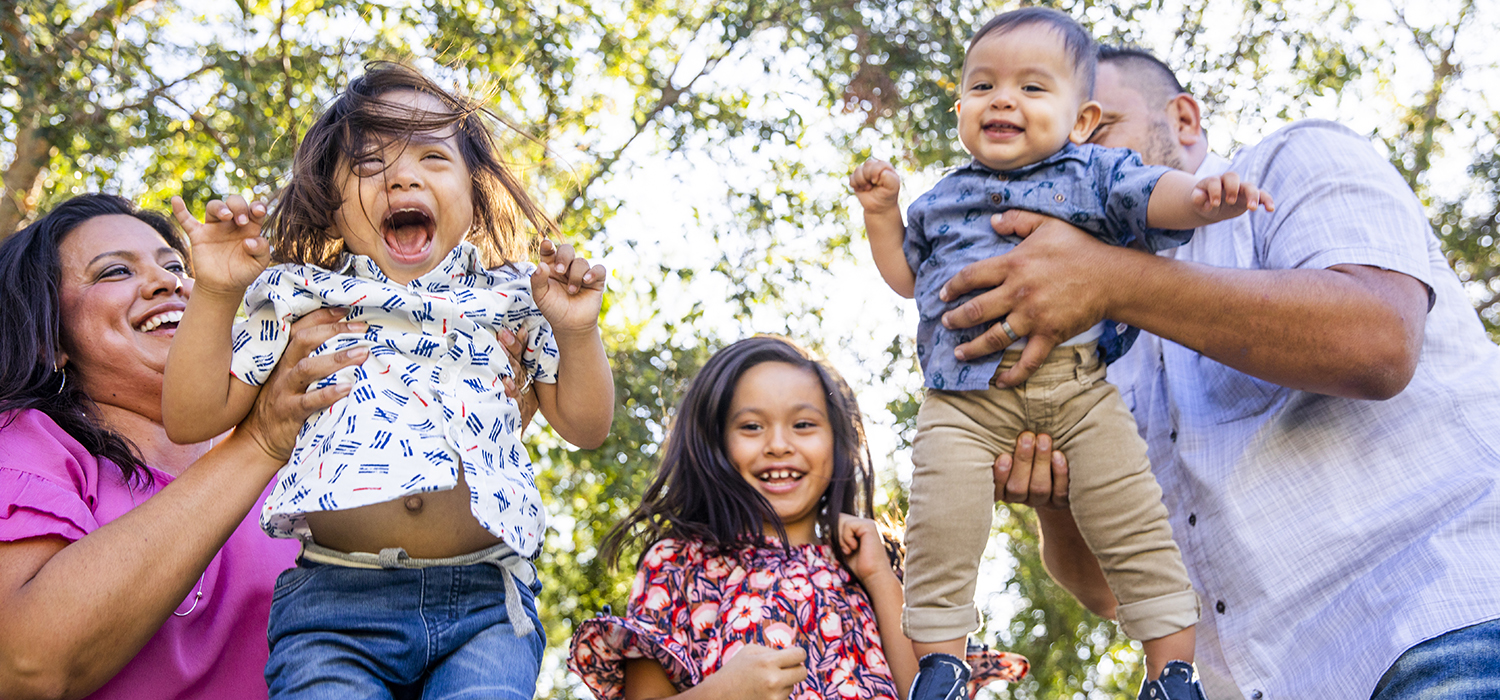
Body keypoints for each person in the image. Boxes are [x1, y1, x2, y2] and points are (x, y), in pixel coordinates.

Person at [951, 46, 1500, 699]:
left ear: (1183, 121)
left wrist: (1110, 280)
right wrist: (1055, 504)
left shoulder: (1291, 161)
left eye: (1095, 131)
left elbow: (1376, 340)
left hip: (1448, 626)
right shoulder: (1082, 351)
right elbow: (1109, 593)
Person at [847, 10, 1270, 700]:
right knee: (939, 528)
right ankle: (941, 665)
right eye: (982, 86)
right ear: (961, 109)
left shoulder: (1092, 171)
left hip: (1079, 394)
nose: (1003, 99)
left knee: (1135, 524)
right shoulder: (942, 199)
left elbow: (1149, 195)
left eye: (1032, 88)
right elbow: (906, 280)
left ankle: (1173, 673)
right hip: (962, 402)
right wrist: (882, 216)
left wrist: (1201, 200)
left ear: (1081, 120)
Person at [161, 63, 614, 697]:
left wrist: (577, 330)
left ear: (475, 191)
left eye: (432, 155)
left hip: (484, 602)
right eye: (370, 164)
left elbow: (587, 425)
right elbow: (190, 418)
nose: (402, 174)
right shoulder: (302, 298)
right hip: (336, 606)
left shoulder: (512, 298)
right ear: (331, 202)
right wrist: (213, 291)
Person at [0, 193, 367, 699]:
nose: (166, 282)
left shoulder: (310, 448)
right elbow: (25, 666)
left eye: (174, 265)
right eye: (113, 272)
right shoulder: (26, 444)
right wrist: (258, 443)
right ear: (50, 340)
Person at [566, 337, 1028, 700]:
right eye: (751, 426)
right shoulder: (678, 562)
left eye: (803, 425)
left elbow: (930, 693)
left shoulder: (882, 563)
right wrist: (723, 694)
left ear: (838, 442)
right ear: (716, 443)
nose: (779, 444)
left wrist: (880, 577)